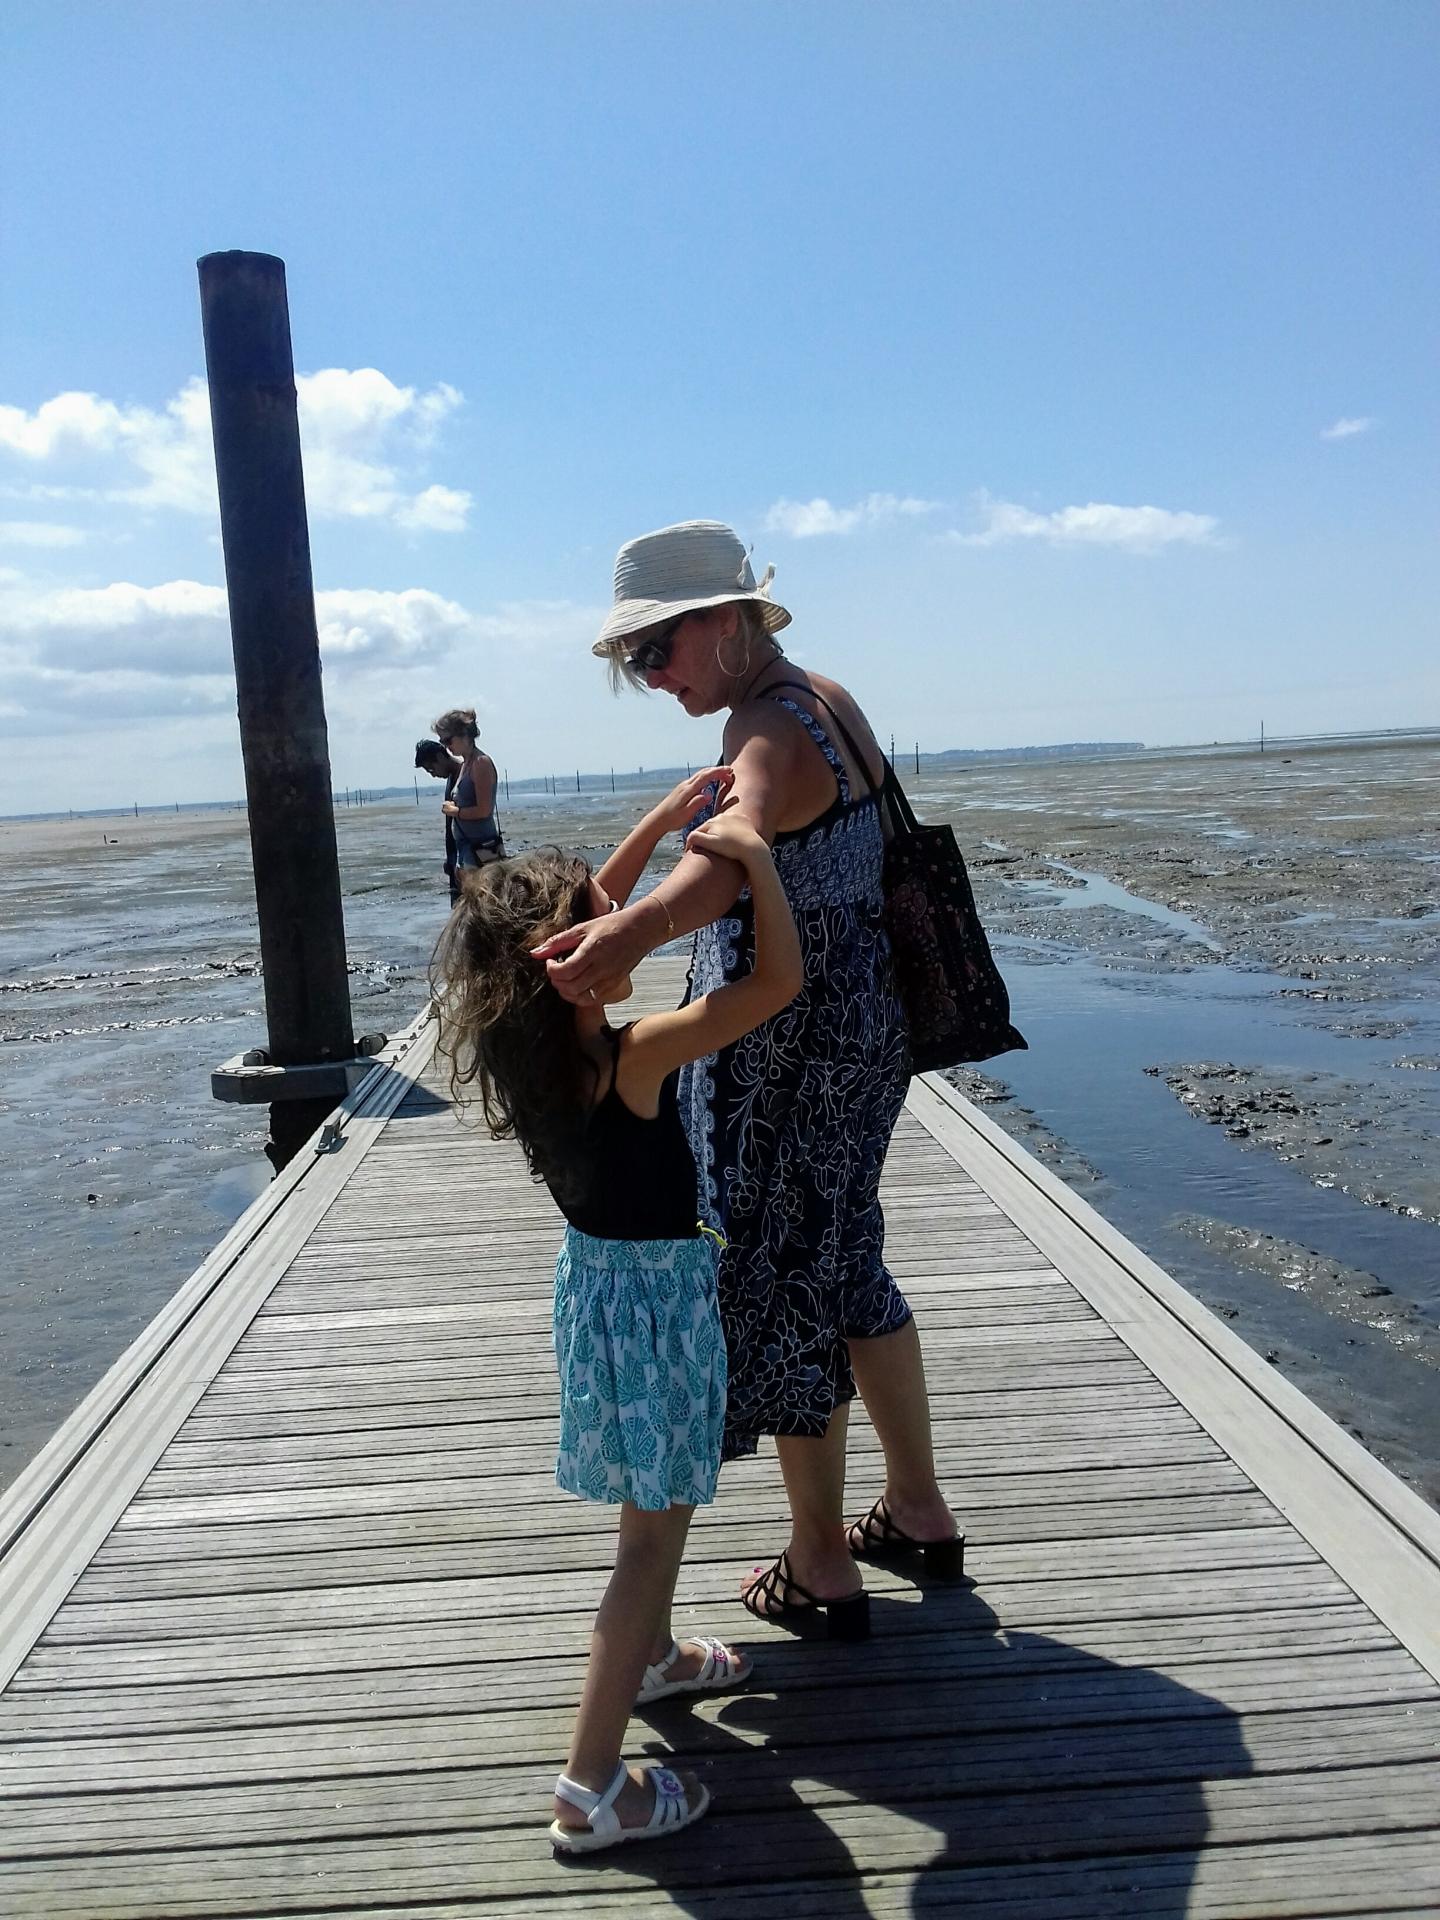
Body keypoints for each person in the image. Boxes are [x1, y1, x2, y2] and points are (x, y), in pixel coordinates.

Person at [533, 520, 961, 1639]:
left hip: (792, 1047)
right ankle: (916, 1508)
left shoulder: (767, 729)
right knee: (847, 1252)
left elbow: (727, 864)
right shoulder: (825, 698)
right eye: (636, 659)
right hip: (862, 1024)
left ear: (726, 622)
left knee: (783, 1279)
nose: (649, 675)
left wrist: (622, 939)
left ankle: (822, 1564)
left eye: (658, 649)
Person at [431, 768, 803, 1854]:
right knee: (650, 1539)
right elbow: (774, 982)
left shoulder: (538, 1060)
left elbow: (595, 905)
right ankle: (589, 1789)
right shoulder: (634, 1061)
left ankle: (652, 1663)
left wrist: (664, 818)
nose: (621, 931)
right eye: (600, 930)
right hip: (658, 1309)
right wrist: (758, 863)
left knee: (656, 1505)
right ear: (572, 971)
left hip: (598, 1297)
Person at [432, 707, 505, 869]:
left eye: (448, 740)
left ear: (464, 734)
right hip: (467, 848)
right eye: (442, 742)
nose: (446, 746)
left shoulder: (481, 763)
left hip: (482, 848)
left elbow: (484, 810)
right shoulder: (466, 763)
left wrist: (455, 812)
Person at [414, 737, 462, 902]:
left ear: (441, 757)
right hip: (456, 860)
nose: (433, 775)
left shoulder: (465, 776)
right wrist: (450, 859)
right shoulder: (451, 779)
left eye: (431, 769)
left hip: (468, 860)